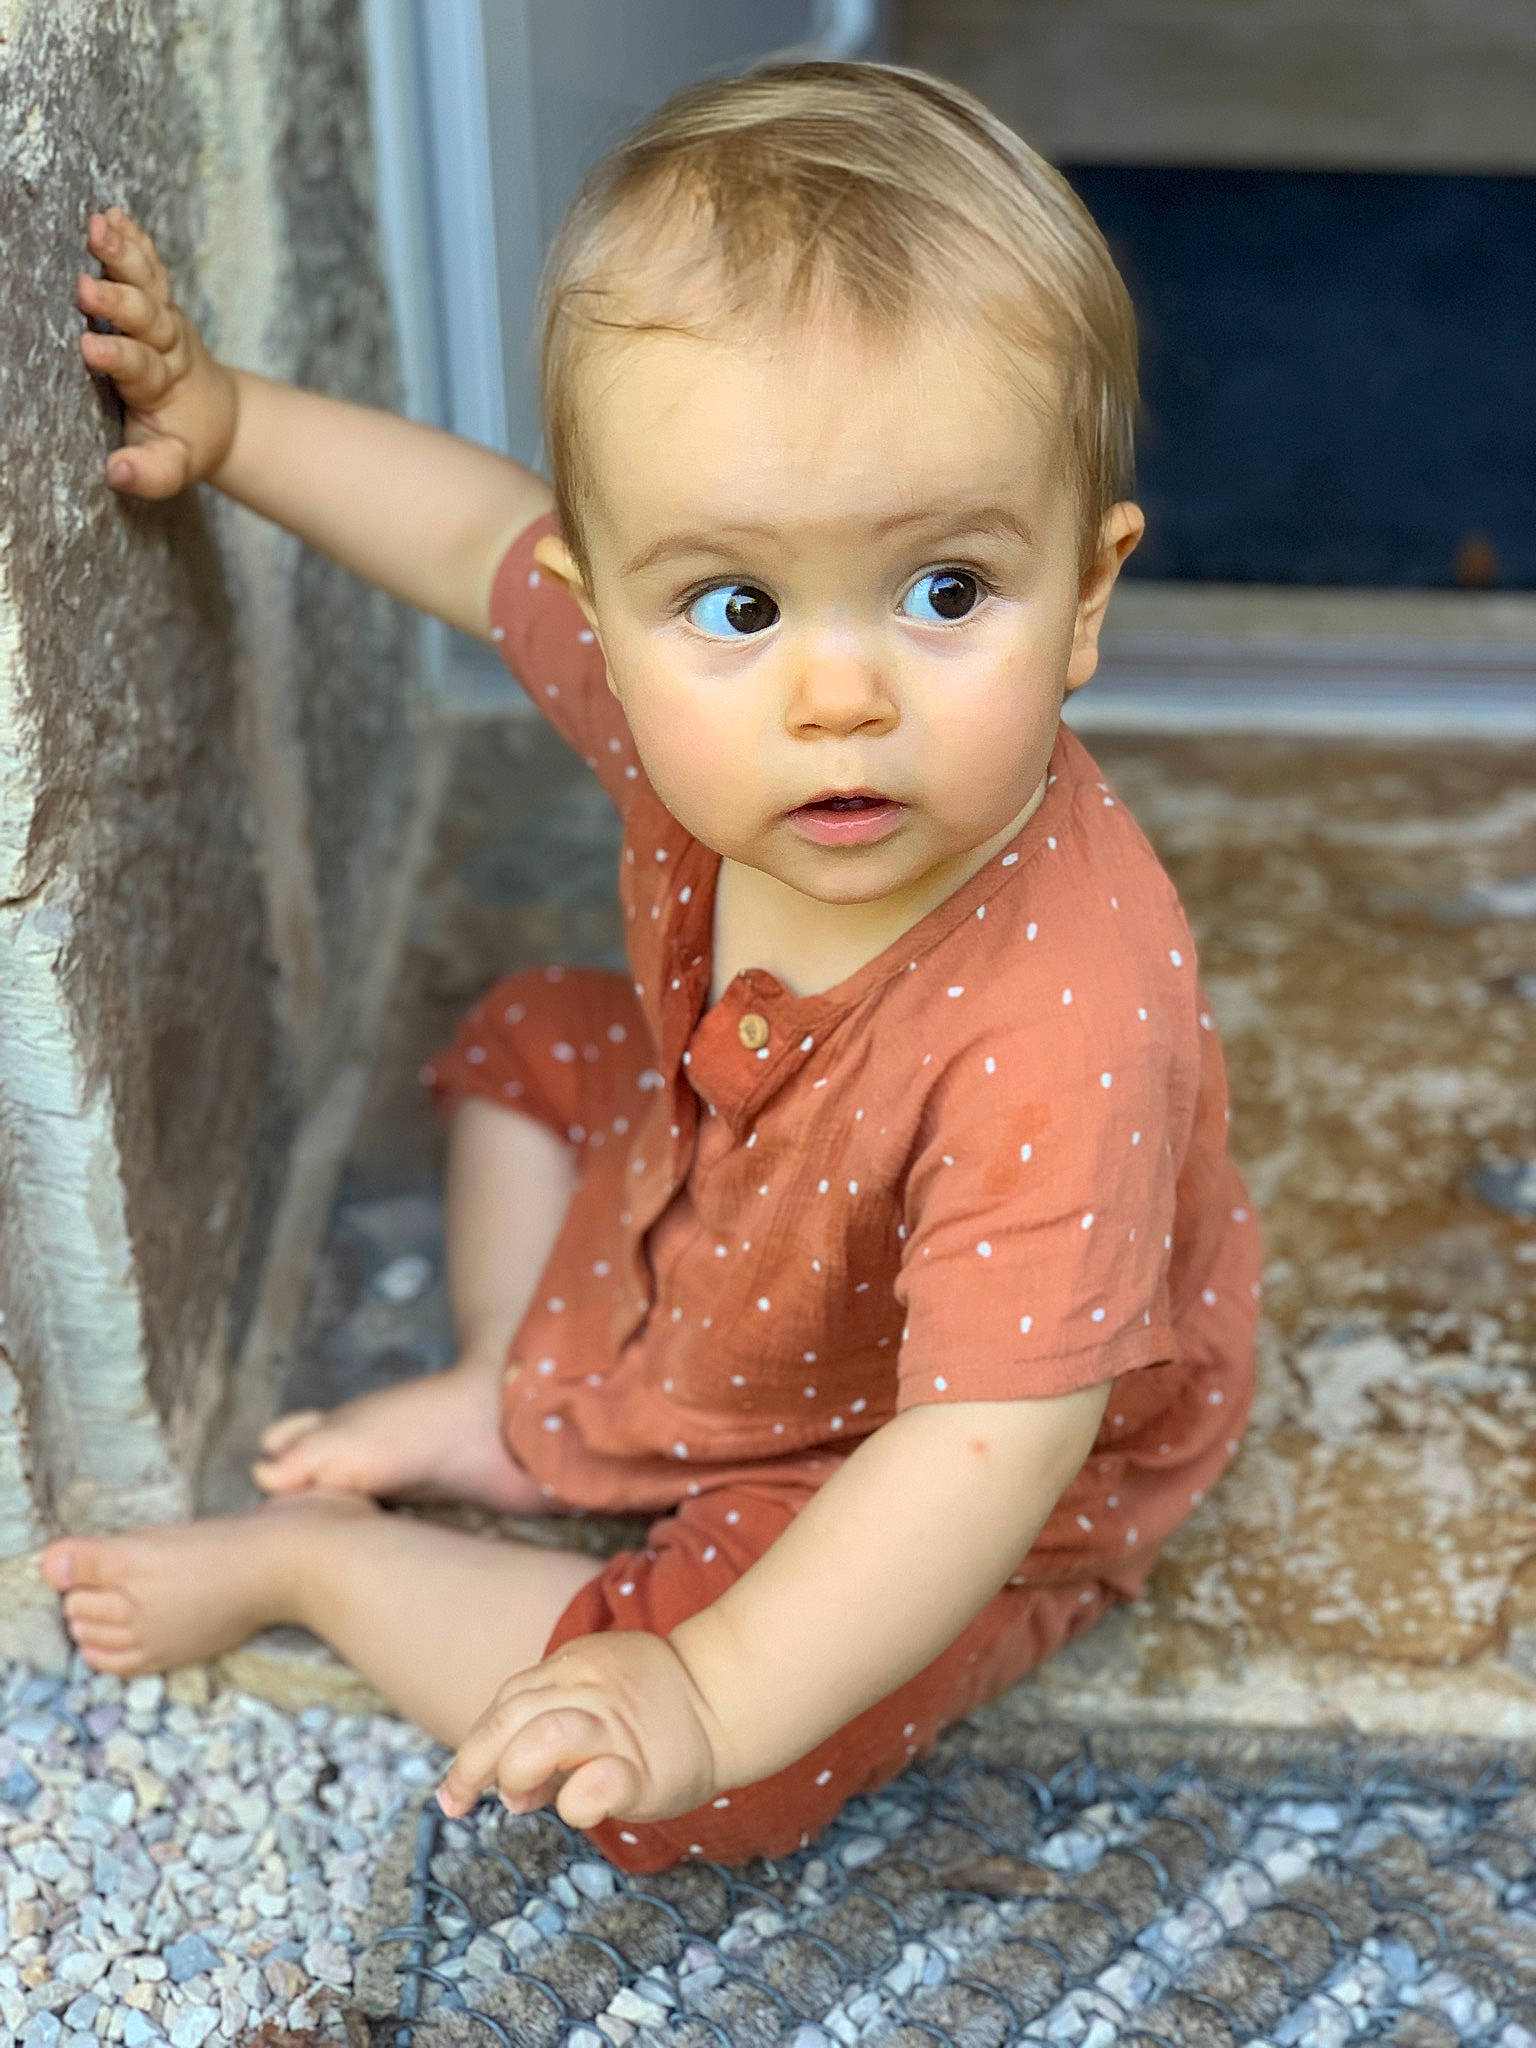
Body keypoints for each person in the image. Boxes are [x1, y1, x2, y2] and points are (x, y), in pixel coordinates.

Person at [42, 60, 1260, 1874]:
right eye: (740, 607)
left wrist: (705, 1690)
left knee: (716, 1758)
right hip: (728, 1219)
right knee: (531, 1037)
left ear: (1087, 592)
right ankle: (508, 1388)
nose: (836, 695)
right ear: (608, 605)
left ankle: (329, 1562)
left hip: (912, 1438)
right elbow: (469, 538)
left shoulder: (1058, 1022)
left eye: (945, 590)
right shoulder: (673, 699)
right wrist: (227, 422)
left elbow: (975, 1460)